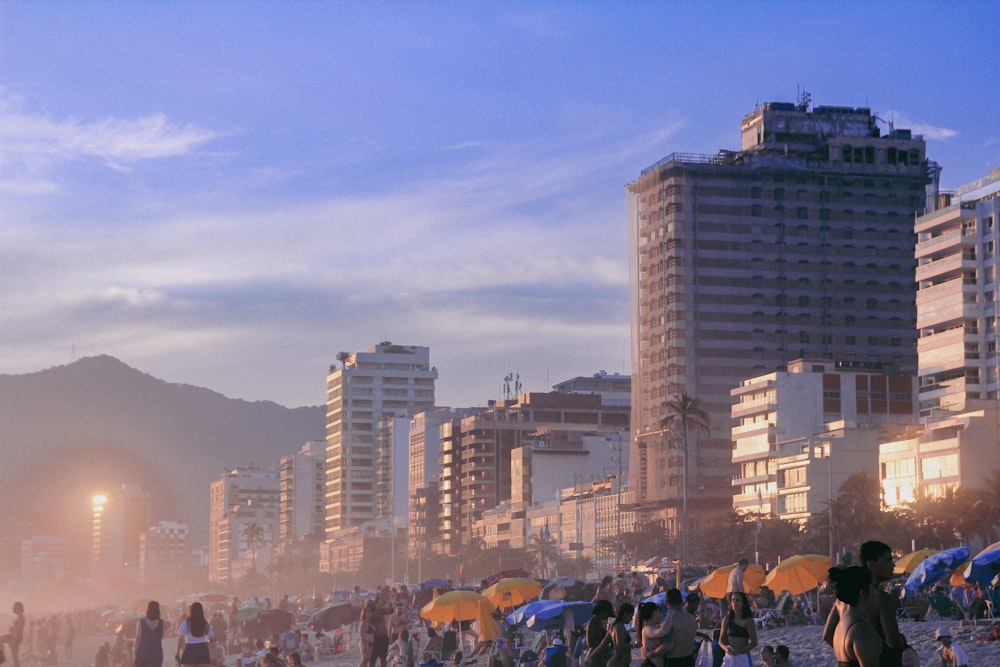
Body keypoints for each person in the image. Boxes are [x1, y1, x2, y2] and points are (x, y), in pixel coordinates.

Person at [823, 541, 905, 667]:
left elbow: (828, 635)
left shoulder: (842, 599)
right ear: (871, 564)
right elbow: (894, 643)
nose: (893, 565)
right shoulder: (882, 599)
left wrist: (850, 654)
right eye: (887, 560)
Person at [828, 566, 883, 667]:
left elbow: (827, 636)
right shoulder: (862, 630)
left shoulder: (843, 624)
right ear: (862, 593)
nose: (877, 592)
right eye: (873, 587)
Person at [719, 592, 757, 667]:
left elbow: (754, 642)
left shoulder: (748, 621)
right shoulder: (727, 619)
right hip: (729, 655)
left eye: (738, 600)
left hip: (742, 656)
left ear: (743, 603)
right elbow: (721, 640)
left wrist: (739, 651)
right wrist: (725, 648)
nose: (735, 602)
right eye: (733, 600)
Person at [663, 589, 697, 667]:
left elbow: (667, 646)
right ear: (681, 601)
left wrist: (651, 653)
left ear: (666, 601)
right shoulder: (692, 618)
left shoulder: (670, 620)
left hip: (673, 661)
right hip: (689, 659)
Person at [176, 602, 214, 667]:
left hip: (190, 648)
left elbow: (180, 638)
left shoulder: (186, 623)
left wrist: (177, 652)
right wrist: (207, 643)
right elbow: (211, 637)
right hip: (202, 648)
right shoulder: (205, 623)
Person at [636, 601, 673, 667]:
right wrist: (671, 612)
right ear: (654, 612)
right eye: (659, 612)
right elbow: (663, 631)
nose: (661, 614)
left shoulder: (654, 627)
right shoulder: (647, 629)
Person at [584, 599, 614, 667]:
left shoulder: (599, 622)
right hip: (595, 659)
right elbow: (590, 643)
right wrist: (606, 640)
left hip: (601, 658)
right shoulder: (593, 622)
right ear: (602, 612)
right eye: (607, 613)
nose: (608, 616)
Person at [135, 601, 165, 667]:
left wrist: (135, 653)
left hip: (143, 652)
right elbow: (161, 637)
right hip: (157, 653)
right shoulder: (161, 623)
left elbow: (138, 638)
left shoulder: (141, 622)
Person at [1, 601, 26, 667]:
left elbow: (17, 631)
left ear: (18, 608)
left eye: (14, 607)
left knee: (15, 656)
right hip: (15, 637)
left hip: (15, 638)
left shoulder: (20, 617)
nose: (13, 608)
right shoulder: (19, 617)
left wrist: (12, 641)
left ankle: (1, 658)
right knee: (15, 657)